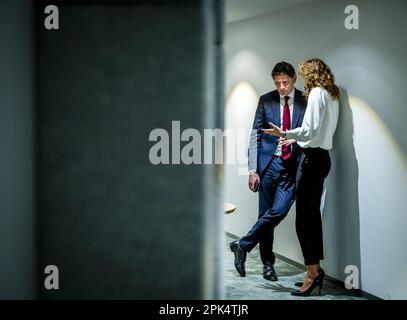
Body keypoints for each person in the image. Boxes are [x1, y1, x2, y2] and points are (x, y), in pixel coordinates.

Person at [262, 58, 340, 296]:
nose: (302, 81)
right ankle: (314, 270)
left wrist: (284, 132)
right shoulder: (331, 94)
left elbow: (310, 130)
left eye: (304, 75)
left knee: (305, 221)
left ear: (310, 75)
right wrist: (298, 138)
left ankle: (313, 273)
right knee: (310, 218)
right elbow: (318, 131)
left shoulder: (316, 93)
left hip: (312, 161)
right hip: (321, 158)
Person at [230, 62, 307, 281]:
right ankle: (267, 265)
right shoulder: (266, 100)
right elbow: (255, 135)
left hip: (292, 166)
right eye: (277, 83)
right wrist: (252, 170)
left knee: (279, 211)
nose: (282, 87)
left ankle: (242, 245)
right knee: (265, 216)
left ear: (294, 79)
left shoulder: (306, 100)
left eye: (285, 82)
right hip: (268, 166)